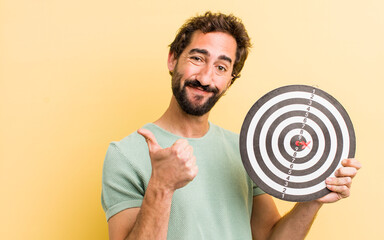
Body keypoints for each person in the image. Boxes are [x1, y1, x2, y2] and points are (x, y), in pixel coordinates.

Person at [101, 11, 362, 240]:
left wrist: (312, 199)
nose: (206, 78)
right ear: (173, 60)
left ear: (230, 80)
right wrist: (162, 186)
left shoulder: (246, 150)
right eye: (197, 58)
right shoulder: (125, 154)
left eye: (221, 67)